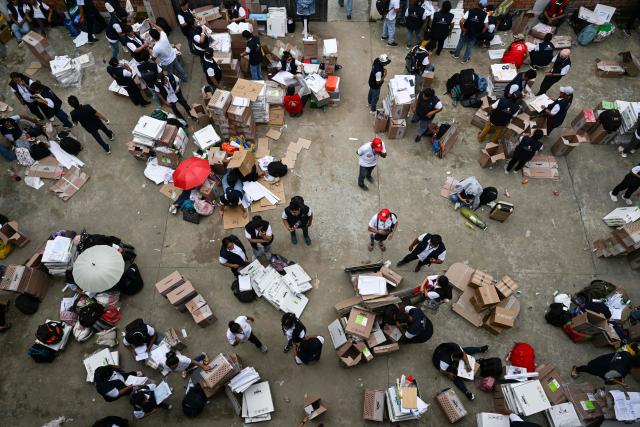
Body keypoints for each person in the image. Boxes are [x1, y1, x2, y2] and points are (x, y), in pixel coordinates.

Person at [571, 348, 637, 388]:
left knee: (593, 366)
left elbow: (616, 356)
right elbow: (608, 376)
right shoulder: (621, 370)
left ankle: (581, 368)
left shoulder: (627, 353)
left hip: (602, 359)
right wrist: (622, 384)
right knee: (590, 369)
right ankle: (576, 369)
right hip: (600, 367)